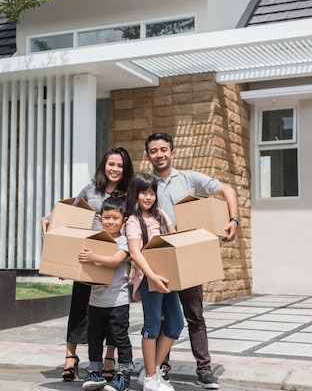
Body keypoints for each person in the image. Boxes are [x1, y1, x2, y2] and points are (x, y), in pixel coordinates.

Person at [143, 132, 239, 390]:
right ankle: (161, 368)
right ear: (149, 155)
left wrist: (234, 220)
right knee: (163, 319)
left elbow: (227, 189)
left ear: (172, 152)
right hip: (160, 257)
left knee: (195, 315)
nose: (159, 154)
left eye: (163, 149)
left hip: (188, 257)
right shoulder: (145, 184)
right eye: (154, 150)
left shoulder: (188, 179)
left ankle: (204, 369)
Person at [41, 147, 134, 382]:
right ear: (104, 165)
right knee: (79, 307)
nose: (115, 169)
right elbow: (69, 214)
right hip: (86, 254)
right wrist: (47, 219)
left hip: (113, 258)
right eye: (111, 164)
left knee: (113, 311)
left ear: (126, 169)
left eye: (120, 165)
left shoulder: (129, 195)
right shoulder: (91, 190)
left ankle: (109, 359)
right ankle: (70, 357)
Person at [125, 172, 182, 391]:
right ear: (135, 194)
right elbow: (135, 253)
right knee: (152, 326)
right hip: (148, 280)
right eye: (144, 193)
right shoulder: (133, 221)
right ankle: (150, 378)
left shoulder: (159, 214)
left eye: (152, 193)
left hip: (167, 278)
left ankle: (152, 370)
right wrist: (152, 277)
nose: (148, 197)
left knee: (176, 323)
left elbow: (173, 237)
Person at [78, 195, 134, 391]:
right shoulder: (95, 240)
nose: (111, 222)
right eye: (107, 217)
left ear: (124, 220)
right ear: (100, 219)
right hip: (96, 301)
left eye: (115, 218)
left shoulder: (124, 241)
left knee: (120, 338)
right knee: (94, 338)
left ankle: (124, 373)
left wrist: (93, 257)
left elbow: (116, 260)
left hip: (117, 301)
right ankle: (95, 372)